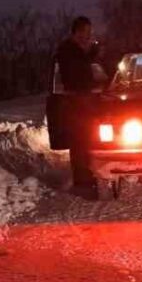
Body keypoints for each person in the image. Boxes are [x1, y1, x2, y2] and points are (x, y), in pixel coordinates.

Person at [55, 16, 101, 190]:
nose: (88, 36)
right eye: (85, 32)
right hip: (75, 101)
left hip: (84, 100)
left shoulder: (77, 49)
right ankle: (82, 182)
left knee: (87, 138)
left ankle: (87, 176)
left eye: (89, 32)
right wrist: (90, 53)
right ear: (77, 32)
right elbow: (77, 73)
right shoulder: (67, 50)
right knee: (79, 140)